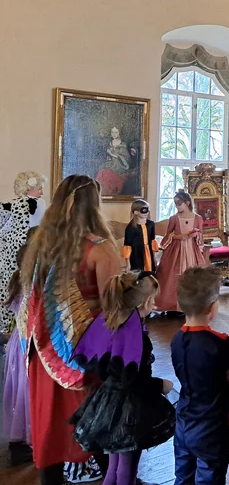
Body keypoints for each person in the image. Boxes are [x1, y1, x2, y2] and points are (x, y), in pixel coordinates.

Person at [18, 175, 124, 485]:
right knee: (97, 420)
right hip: (86, 353)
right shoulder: (100, 249)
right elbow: (113, 310)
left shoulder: (42, 246)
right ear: (94, 205)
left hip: (44, 351)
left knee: (49, 425)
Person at [70, 272, 175, 485]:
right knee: (127, 466)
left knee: (115, 462)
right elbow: (137, 381)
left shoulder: (110, 325)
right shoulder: (137, 340)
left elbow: (103, 370)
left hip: (107, 403)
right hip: (130, 409)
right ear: (145, 303)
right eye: (153, 299)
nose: (154, 304)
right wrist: (161, 385)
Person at [173, 267, 229, 485]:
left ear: (180, 304)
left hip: (183, 420)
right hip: (213, 425)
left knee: (183, 476)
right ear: (212, 307)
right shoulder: (221, 343)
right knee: (211, 477)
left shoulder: (176, 340)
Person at [0, 171, 46, 333]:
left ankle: (5, 328)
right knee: (25, 289)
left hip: (7, 253)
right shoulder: (38, 204)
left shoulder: (8, 205)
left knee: (7, 288)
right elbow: (41, 228)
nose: (41, 192)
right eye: (39, 188)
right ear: (28, 189)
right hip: (26, 252)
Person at [3, 246, 32, 466]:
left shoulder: (18, 280)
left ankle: (19, 441)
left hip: (16, 343)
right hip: (25, 343)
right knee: (25, 391)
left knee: (18, 391)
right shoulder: (29, 285)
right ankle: (24, 441)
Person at [156, 190, 206, 314]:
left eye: (179, 203)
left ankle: (192, 304)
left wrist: (196, 234)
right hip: (176, 252)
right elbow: (168, 235)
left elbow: (200, 236)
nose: (177, 206)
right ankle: (173, 304)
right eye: (175, 204)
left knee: (193, 276)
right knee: (173, 275)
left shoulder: (198, 218)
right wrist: (179, 236)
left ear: (187, 203)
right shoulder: (174, 219)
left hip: (192, 251)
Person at [122, 199, 158, 274]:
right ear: (136, 212)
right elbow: (127, 246)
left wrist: (154, 257)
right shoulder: (130, 228)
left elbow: (152, 241)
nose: (147, 213)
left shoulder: (151, 224)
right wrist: (128, 264)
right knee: (138, 273)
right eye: (144, 210)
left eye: (148, 210)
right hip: (136, 254)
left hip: (149, 254)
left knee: (150, 273)